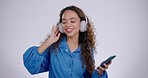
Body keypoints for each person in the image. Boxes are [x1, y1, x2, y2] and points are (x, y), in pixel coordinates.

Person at [23, 5, 112, 78]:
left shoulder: (87, 48)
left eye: (72, 21)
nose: (68, 25)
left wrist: (99, 73)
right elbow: (31, 66)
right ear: (61, 26)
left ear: (82, 24)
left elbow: (87, 76)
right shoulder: (54, 47)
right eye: (64, 22)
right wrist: (49, 41)